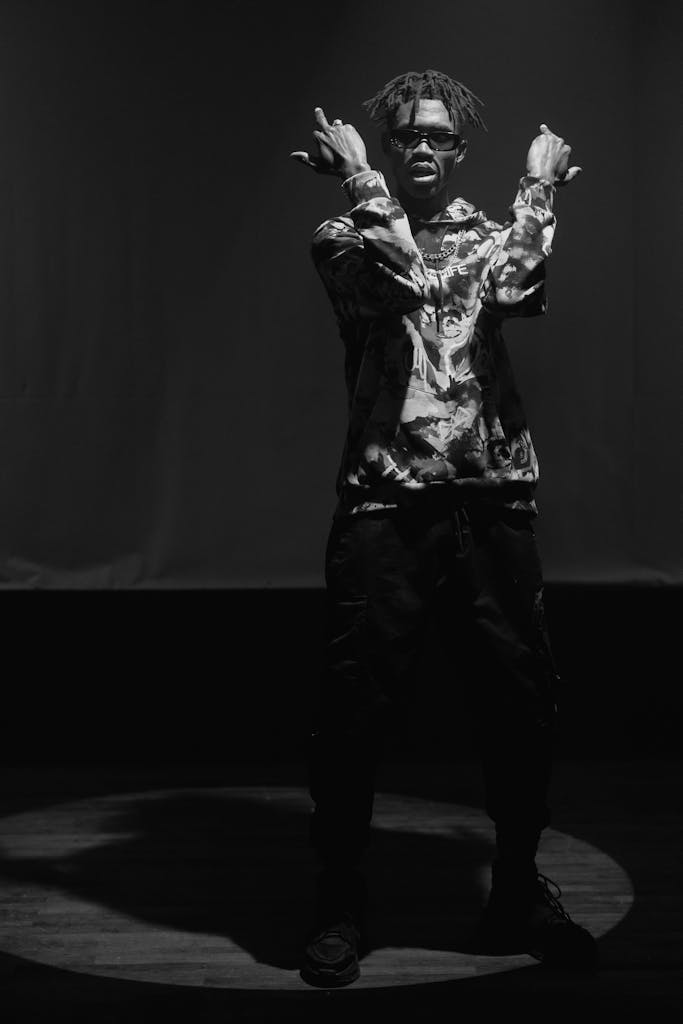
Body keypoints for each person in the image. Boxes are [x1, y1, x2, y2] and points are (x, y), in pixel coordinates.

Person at [290, 69, 596, 988]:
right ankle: (340, 898)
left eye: (439, 137)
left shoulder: (490, 234)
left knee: (521, 703)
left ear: (460, 147)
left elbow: (515, 287)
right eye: (404, 138)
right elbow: (408, 281)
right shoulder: (343, 233)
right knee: (354, 711)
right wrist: (356, 184)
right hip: (386, 503)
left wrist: (536, 192)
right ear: (382, 149)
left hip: (490, 498)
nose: (422, 149)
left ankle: (513, 888)